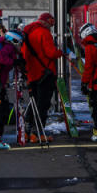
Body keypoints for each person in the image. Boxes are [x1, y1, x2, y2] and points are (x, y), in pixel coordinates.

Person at [21, 12, 64, 142]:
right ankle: (37, 133)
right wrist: (60, 52)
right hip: (45, 74)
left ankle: (27, 132)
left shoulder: (28, 33)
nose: (51, 27)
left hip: (32, 74)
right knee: (43, 105)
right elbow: (50, 53)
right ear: (46, 22)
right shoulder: (44, 33)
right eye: (51, 24)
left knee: (33, 103)